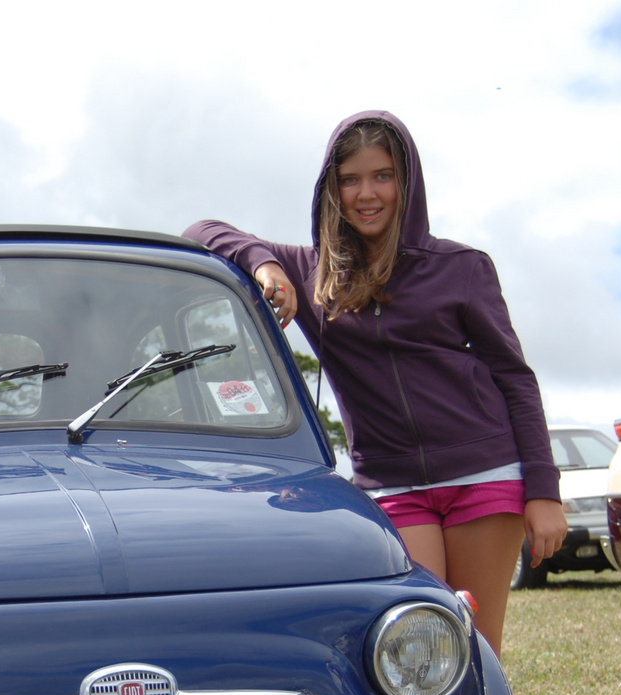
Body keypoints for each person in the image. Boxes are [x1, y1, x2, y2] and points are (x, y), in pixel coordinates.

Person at [186, 110, 565, 652]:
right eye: (351, 179)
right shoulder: (313, 274)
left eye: (382, 175)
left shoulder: (462, 267)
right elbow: (201, 231)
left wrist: (543, 491)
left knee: (478, 648)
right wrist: (266, 265)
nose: (367, 193)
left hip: (484, 475)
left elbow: (515, 377)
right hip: (392, 487)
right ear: (331, 189)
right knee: (421, 645)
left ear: (406, 181)